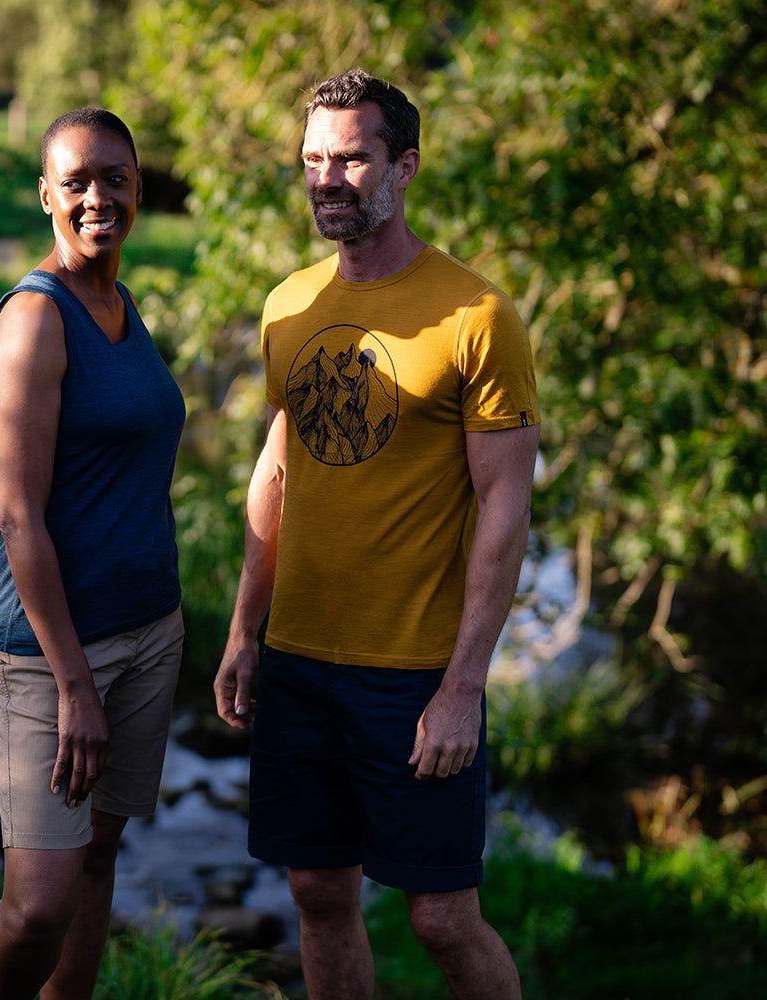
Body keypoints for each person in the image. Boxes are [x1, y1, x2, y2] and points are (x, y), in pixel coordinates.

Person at [213, 69, 539, 1000]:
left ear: (406, 166)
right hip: (300, 661)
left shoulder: (478, 316)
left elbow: (506, 509)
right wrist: (245, 631)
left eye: (353, 158)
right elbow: (279, 471)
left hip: (414, 672)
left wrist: (464, 686)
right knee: (317, 889)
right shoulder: (289, 306)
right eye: (314, 159)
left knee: (441, 916)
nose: (329, 179)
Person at [0, 107, 185, 1000]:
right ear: (47, 196)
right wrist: (73, 688)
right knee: (37, 903)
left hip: (148, 632)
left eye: (115, 177)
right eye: (77, 182)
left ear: (139, 186)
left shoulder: (122, 303)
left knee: (99, 853)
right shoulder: (36, 318)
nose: (98, 197)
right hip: (52, 653)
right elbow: (20, 520)